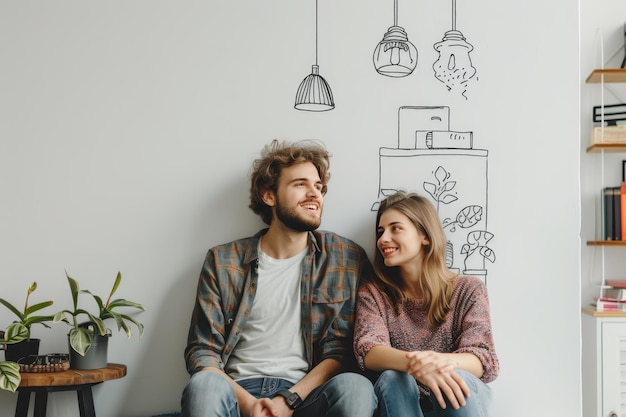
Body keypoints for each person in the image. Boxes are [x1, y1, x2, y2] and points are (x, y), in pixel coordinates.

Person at [181, 139, 377, 417]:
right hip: (236, 395)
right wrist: (250, 405)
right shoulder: (223, 261)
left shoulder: (345, 258)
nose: (315, 194)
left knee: (356, 386)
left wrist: (288, 400)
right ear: (269, 196)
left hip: (306, 395)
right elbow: (202, 352)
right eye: (300, 184)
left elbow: (340, 351)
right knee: (203, 385)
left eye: (319, 187)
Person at [353, 191, 499, 417]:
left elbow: (482, 360)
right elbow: (369, 352)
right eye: (380, 232)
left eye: (396, 228)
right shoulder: (374, 291)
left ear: (425, 235)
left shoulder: (469, 289)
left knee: (458, 376)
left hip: (454, 401)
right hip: (399, 402)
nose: (383, 239)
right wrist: (415, 366)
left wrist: (438, 362)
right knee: (394, 377)